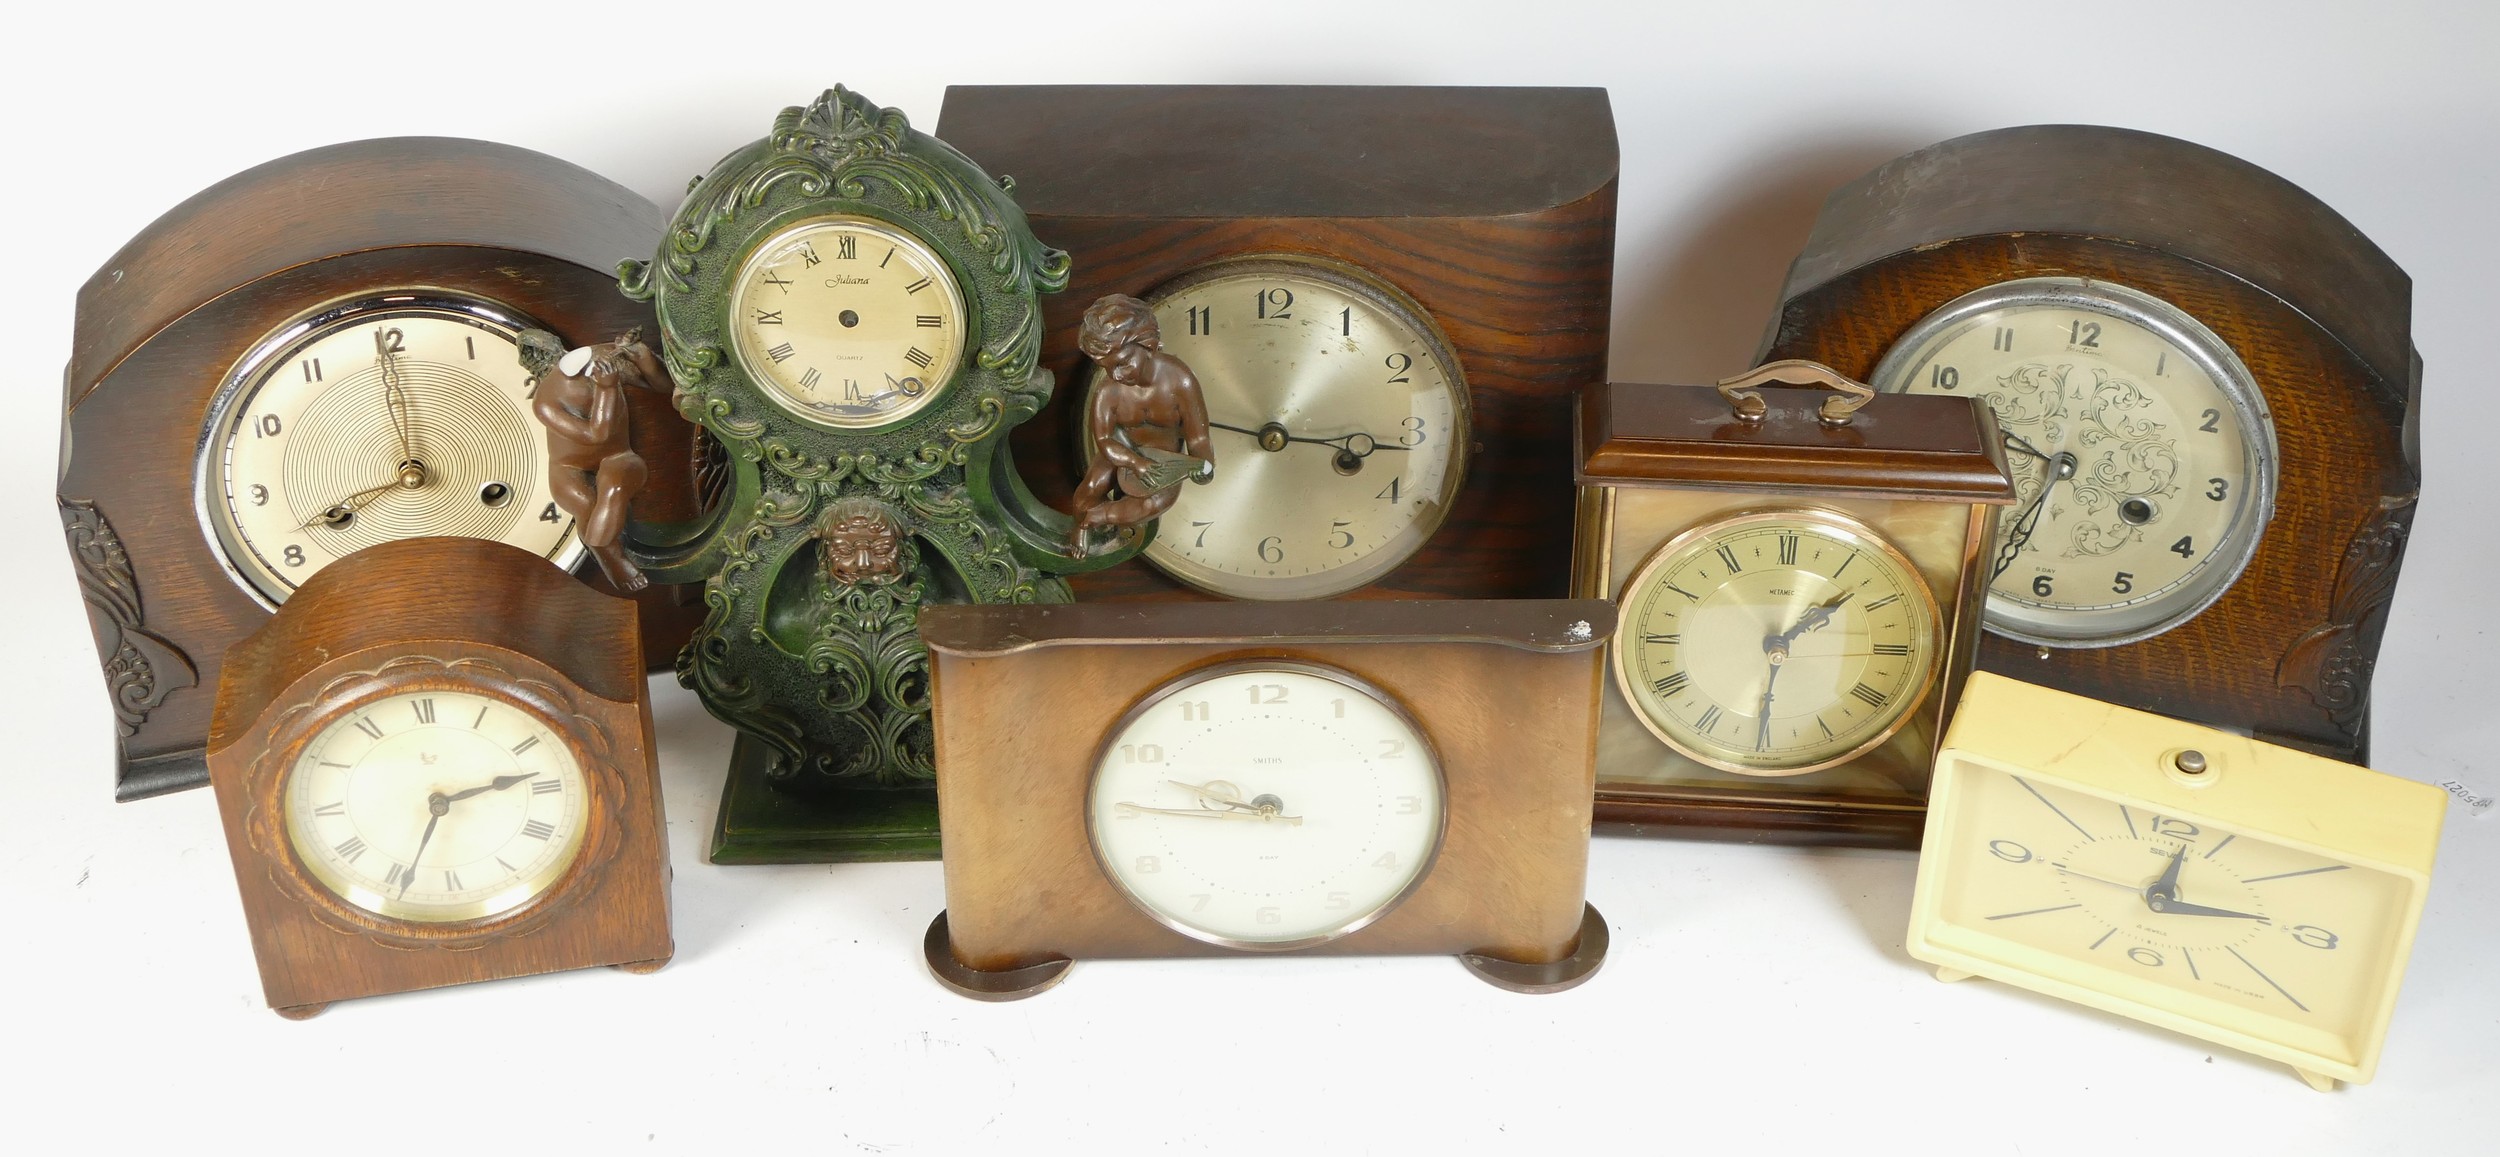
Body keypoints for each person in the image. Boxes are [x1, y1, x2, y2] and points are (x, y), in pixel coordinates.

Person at [520, 328, 672, 590]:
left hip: (618, 456)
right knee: (585, 503)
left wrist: (640, 354)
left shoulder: (600, 359)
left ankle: (600, 541)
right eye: (540, 355)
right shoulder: (545, 402)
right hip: (567, 469)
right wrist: (607, 387)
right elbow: (596, 434)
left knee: (614, 486)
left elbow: (662, 384)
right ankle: (610, 556)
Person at [1066, 295, 1214, 554]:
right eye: (1106, 367)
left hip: (1163, 461)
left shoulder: (1180, 381)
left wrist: (1202, 463)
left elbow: (1198, 437)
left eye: (1123, 363)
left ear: (1149, 345)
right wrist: (1134, 461)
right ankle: (1083, 521)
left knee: (1151, 505)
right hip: (1121, 451)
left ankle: (1097, 517)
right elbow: (1104, 440)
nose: (1116, 375)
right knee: (1087, 491)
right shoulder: (1109, 391)